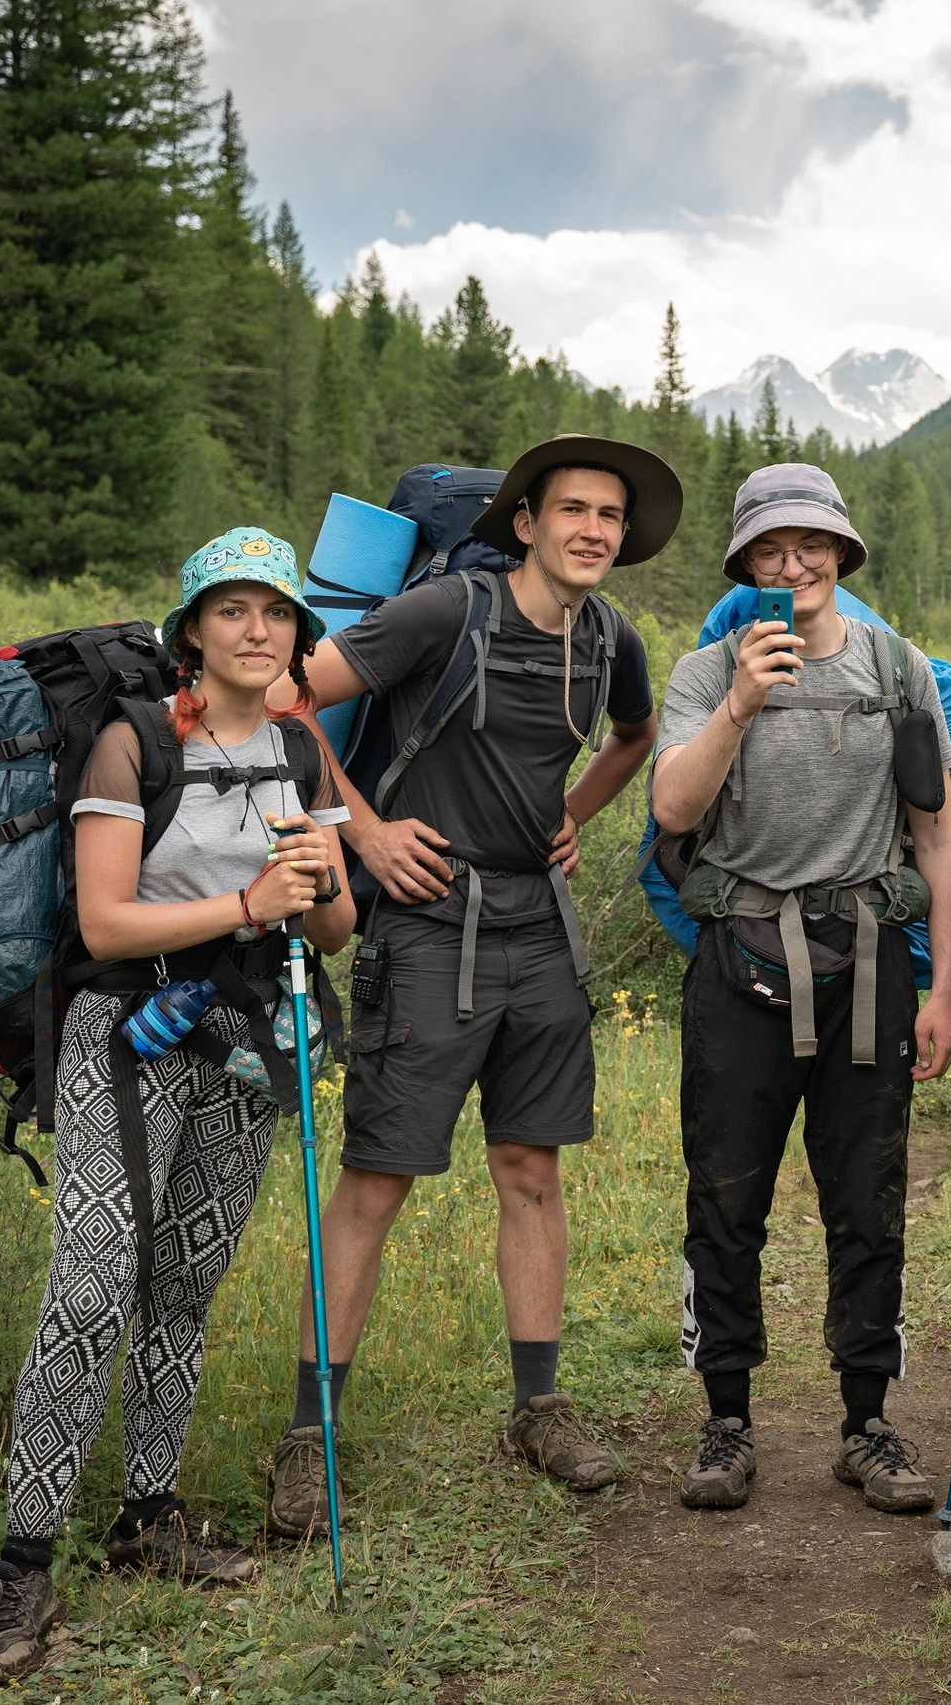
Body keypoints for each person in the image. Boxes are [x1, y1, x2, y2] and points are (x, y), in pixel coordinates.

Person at [262, 436, 678, 1533]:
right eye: (573, 509)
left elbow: (634, 735)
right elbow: (287, 701)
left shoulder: (612, 639)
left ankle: (538, 1408)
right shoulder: (446, 611)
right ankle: (309, 1436)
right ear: (525, 523)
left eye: (610, 516)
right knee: (376, 1179)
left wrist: (571, 814)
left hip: (539, 928)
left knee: (531, 1169)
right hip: (425, 925)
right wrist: (361, 827)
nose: (593, 530)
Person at [0, 528, 356, 1689]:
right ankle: (22, 1563)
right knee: (92, 1288)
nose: (256, 629)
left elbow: (338, 928)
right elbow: (103, 922)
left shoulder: (300, 749)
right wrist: (249, 899)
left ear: (298, 634)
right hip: (125, 1033)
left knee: (184, 1284)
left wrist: (317, 879)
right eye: (231, 609)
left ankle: (150, 1515)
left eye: (276, 612)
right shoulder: (133, 741)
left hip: (247, 1040)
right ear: (192, 629)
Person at [650, 463, 951, 1513]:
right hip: (736, 964)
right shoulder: (704, 674)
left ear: (841, 552)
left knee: (868, 1200)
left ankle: (867, 1423)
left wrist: (943, 989)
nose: (794, 565)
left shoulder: (897, 668)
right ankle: (726, 1420)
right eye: (771, 550)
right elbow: (672, 805)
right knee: (724, 1198)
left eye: (812, 545)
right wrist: (742, 701)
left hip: (866, 968)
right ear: (745, 563)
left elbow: (939, 836)